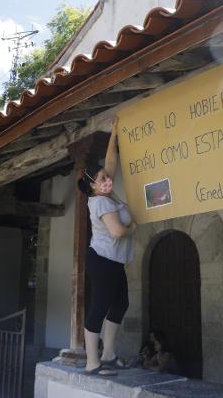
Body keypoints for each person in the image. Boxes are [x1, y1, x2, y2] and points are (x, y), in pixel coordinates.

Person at [76, 117, 137, 376]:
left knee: (120, 303)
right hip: (102, 260)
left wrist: (114, 135)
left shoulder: (107, 193)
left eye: (107, 177)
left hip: (113, 261)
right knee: (100, 306)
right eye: (102, 178)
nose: (108, 179)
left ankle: (109, 353)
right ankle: (92, 362)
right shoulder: (99, 202)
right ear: (92, 184)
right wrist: (133, 227)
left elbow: (110, 163)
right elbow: (117, 231)